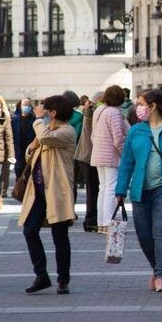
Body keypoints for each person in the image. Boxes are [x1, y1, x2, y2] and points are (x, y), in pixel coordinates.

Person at [116, 89, 162, 293]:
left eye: (141, 103)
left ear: (153, 106)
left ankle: (161, 275)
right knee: (144, 235)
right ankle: (156, 268)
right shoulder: (136, 130)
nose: (137, 108)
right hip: (140, 190)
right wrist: (120, 188)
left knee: (161, 233)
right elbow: (127, 161)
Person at [20, 96, 77, 295]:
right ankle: (41, 275)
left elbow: (44, 138)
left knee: (59, 236)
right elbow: (30, 154)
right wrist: (32, 145)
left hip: (57, 191)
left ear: (52, 112)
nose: (41, 111)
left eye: (45, 109)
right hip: (37, 191)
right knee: (29, 230)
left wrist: (37, 120)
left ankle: (63, 279)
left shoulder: (67, 131)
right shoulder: (46, 132)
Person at [90, 85, 129, 233]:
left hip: (99, 154)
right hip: (111, 155)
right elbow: (118, 138)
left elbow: (94, 134)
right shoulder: (114, 113)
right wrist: (125, 155)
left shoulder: (100, 110)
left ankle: (102, 222)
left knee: (103, 188)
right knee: (111, 188)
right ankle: (108, 223)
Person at [75, 91, 102, 233]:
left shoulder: (92, 112)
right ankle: (91, 220)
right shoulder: (92, 113)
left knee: (94, 189)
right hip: (88, 155)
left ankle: (92, 219)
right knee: (93, 189)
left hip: (87, 155)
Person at [12, 98, 36, 179]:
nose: (26, 107)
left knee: (30, 176)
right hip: (18, 152)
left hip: (30, 151)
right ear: (20, 107)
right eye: (24, 105)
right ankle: (19, 191)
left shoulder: (34, 120)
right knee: (19, 176)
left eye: (28, 105)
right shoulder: (14, 120)